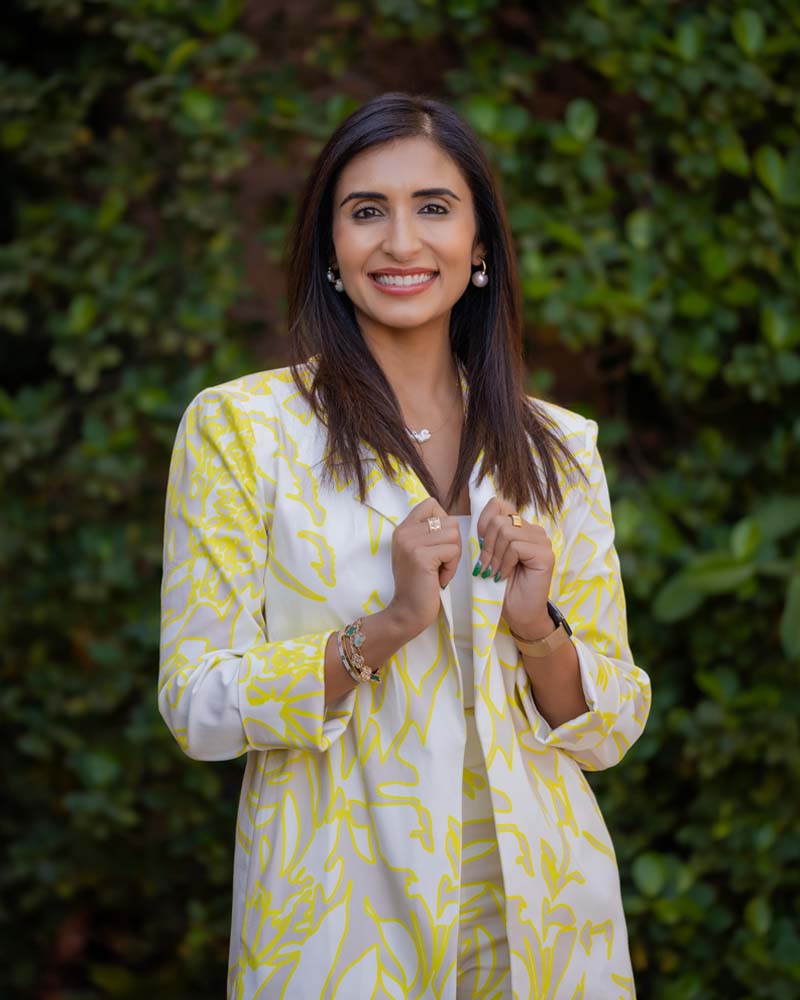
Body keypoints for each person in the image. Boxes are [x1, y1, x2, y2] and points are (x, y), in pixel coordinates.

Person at [158, 91, 652, 1000]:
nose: (400, 241)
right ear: (330, 250)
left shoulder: (558, 447)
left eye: (432, 207)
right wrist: (386, 627)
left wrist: (537, 626)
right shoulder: (243, 430)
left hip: (547, 922)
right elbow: (196, 705)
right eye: (365, 212)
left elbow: (610, 726)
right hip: (339, 918)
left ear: (479, 245)